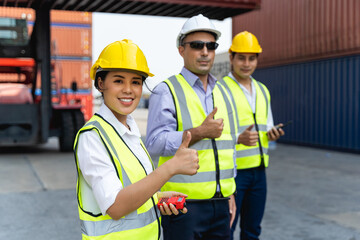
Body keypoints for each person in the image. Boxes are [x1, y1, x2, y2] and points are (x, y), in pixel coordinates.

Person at [73, 39, 199, 240]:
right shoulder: (92, 138)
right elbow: (115, 206)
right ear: (100, 83)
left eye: (136, 82)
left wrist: (155, 199)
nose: (128, 90)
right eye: (118, 81)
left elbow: (131, 190)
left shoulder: (130, 131)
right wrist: (171, 167)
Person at [145, 14, 237, 240]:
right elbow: (154, 144)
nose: (205, 52)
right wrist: (199, 132)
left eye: (211, 46)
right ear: (181, 50)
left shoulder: (224, 91)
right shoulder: (166, 91)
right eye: (197, 45)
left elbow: (229, 148)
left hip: (221, 203)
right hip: (182, 205)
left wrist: (231, 193)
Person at [218, 31, 285, 240]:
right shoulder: (219, 90)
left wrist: (272, 134)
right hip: (234, 173)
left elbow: (267, 125)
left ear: (257, 59)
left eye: (251, 58)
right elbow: (214, 134)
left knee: (252, 230)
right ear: (231, 58)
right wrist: (239, 138)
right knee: (226, 230)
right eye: (241, 58)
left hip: (259, 172)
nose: (246, 63)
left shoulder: (263, 90)